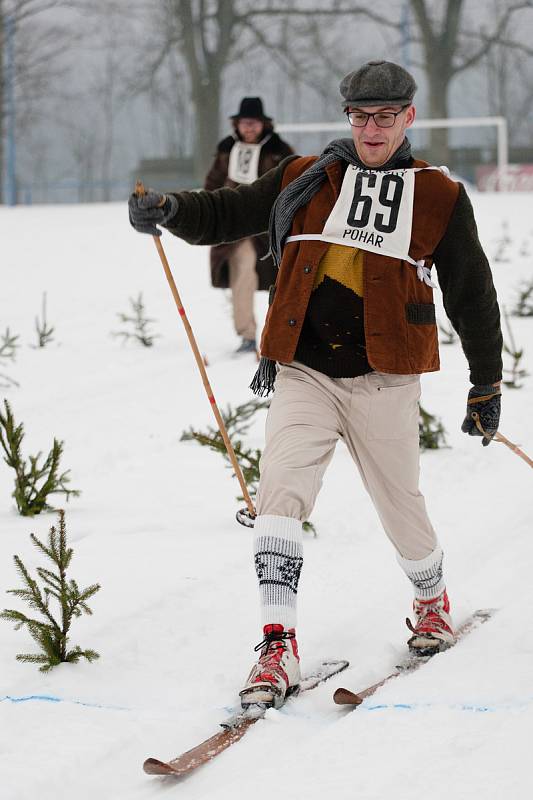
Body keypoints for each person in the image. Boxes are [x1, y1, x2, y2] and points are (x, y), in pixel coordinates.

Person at [129, 60, 503, 710]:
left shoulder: (437, 195)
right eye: (360, 115)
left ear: (408, 117)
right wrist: (170, 209)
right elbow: (227, 212)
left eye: (385, 115)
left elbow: (471, 293)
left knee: (401, 509)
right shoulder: (306, 177)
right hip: (301, 365)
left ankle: (430, 598)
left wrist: (485, 383)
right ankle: (277, 645)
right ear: (347, 118)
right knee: (280, 497)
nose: (372, 127)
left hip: (385, 378)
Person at [204, 97, 294, 354]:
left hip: (271, 230)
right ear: (238, 124)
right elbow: (212, 184)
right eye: (245, 123)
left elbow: (294, 182)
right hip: (235, 227)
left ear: (263, 124)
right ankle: (247, 335)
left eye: (254, 123)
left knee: (284, 280)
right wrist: (214, 214)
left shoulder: (279, 150)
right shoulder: (226, 149)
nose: (249, 128)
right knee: (241, 274)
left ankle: (282, 333)